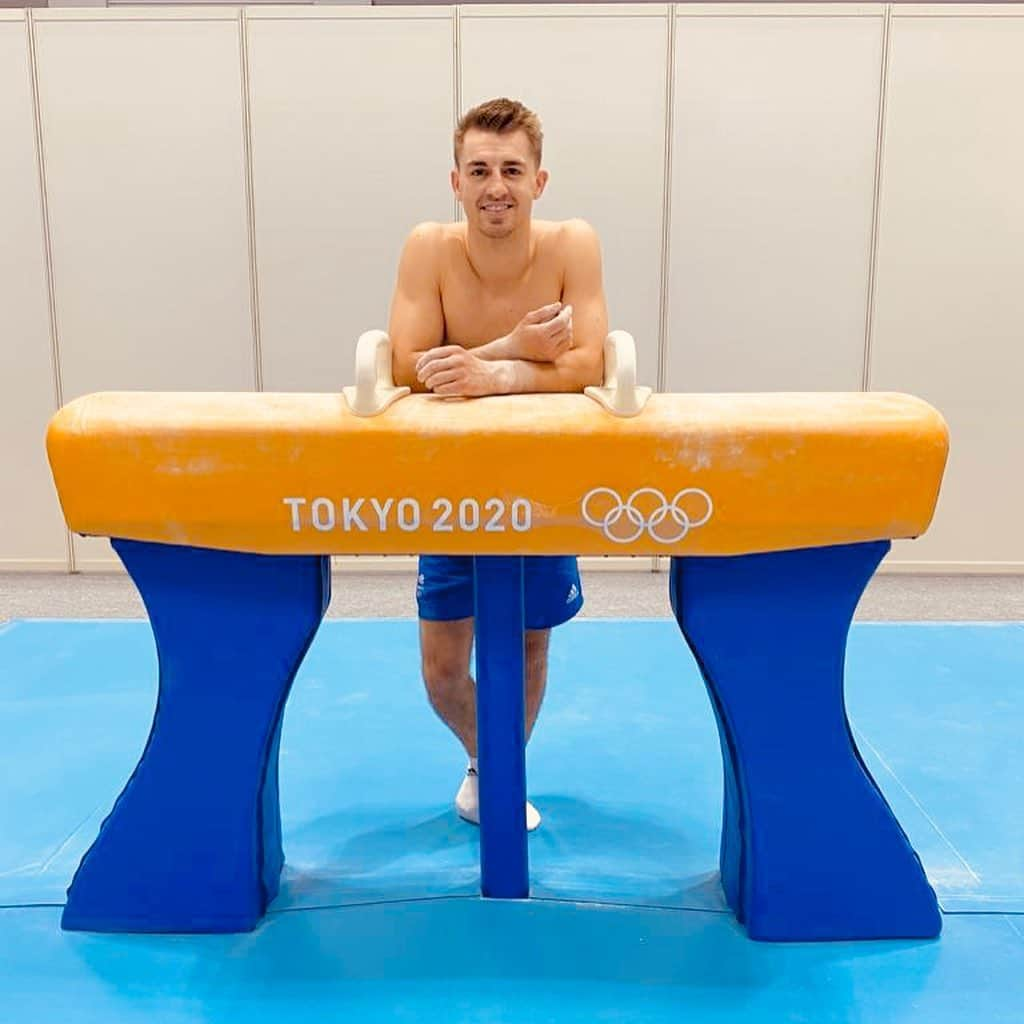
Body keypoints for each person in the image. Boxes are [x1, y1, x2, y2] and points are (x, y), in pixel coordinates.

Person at [388, 97, 609, 831]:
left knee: (526, 650)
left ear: (539, 181)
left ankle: (493, 770)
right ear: (455, 181)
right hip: (448, 485)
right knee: (443, 674)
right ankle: (495, 762)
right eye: (479, 169)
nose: (496, 186)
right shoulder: (429, 246)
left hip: (539, 480)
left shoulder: (574, 244)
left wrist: (497, 376)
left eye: (512, 170)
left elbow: (590, 364)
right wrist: (510, 349)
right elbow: (402, 365)